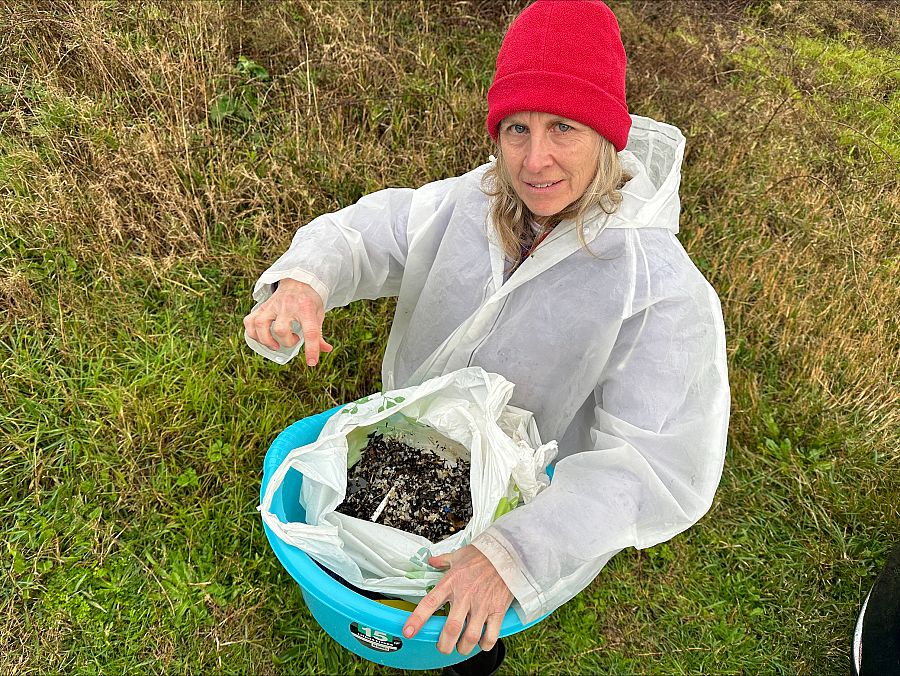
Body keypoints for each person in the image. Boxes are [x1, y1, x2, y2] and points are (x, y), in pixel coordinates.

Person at [244, 0, 729, 671]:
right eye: (516, 129)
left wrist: (515, 553)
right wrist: (306, 280)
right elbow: (371, 232)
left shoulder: (658, 287)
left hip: (521, 502)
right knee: (381, 579)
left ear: (607, 135)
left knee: (459, 629)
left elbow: (655, 466)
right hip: (411, 446)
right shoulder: (470, 202)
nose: (535, 161)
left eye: (564, 128)